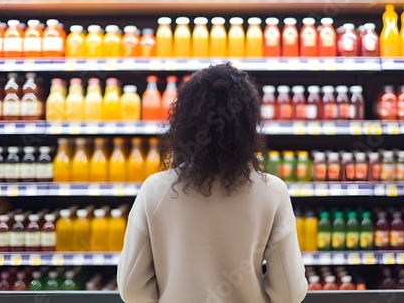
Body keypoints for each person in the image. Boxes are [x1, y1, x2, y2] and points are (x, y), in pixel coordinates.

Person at [117, 63, 307, 303]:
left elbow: (131, 289)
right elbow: (289, 293)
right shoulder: (273, 191)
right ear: (249, 122)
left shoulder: (155, 189)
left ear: (184, 122)